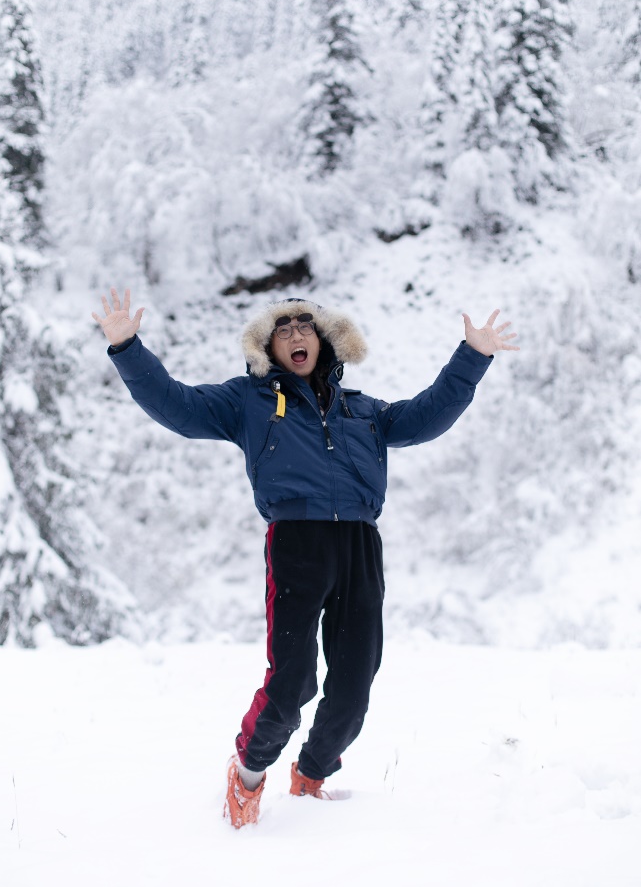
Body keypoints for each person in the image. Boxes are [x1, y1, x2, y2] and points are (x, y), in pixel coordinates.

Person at [92, 288, 518, 828]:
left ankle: (311, 776)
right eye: (284, 327)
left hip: (360, 546)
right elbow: (176, 405)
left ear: (325, 340)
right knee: (292, 682)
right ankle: (247, 774)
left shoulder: (365, 410)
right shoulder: (246, 401)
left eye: (306, 325)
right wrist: (128, 347)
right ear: (268, 345)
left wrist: (472, 357)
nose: (297, 333)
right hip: (296, 544)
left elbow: (429, 415)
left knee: (354, 684)